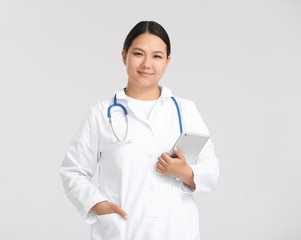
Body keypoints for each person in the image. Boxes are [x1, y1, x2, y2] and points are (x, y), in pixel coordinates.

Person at [59, 20, 220, 240]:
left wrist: (184, 172)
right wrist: (97, 204)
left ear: (167, 62)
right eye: (138, 54)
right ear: (124, 56)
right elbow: (73, 171)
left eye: (157, 56)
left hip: (175, 231)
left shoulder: (185, 111)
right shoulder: (101, 114)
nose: (147, 64)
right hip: (122, 231)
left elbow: (211, 171)